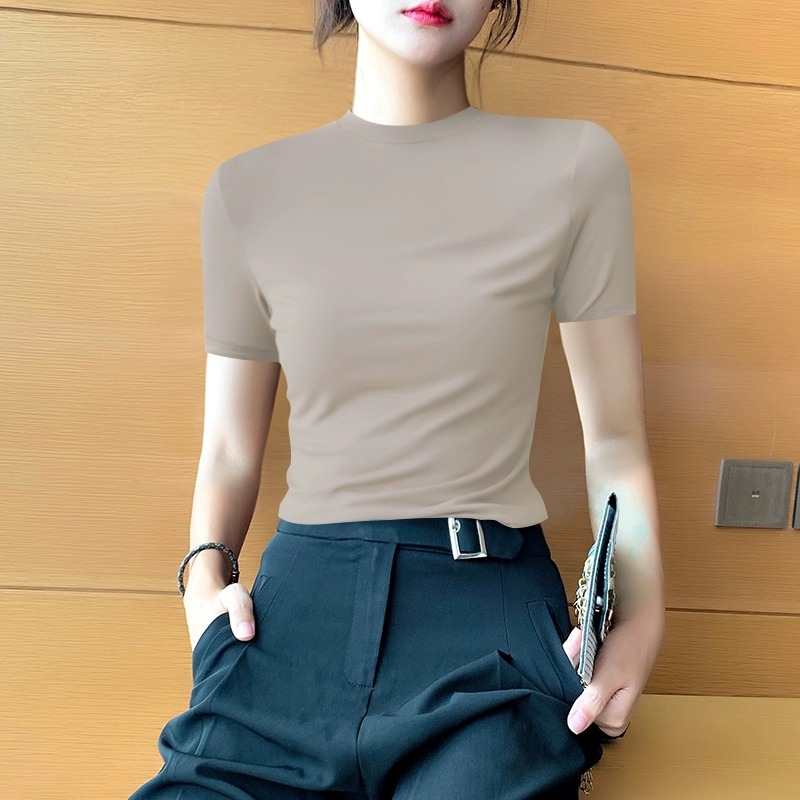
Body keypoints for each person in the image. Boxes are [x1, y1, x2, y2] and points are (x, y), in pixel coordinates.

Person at [128, 1, 665, 798]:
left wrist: (642, 621)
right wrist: (203, 584)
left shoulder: (575, 168)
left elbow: (615, 440)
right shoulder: (249, 192)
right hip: (291, 619)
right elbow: (231, 451)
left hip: (488, 622)